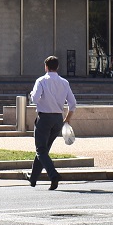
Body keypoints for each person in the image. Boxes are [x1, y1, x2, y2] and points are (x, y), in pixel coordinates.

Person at [29, 55, 76, 190]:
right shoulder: (64, 82)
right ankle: (33, 178)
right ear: (57, 67)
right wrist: (67, 119)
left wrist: (32, 94)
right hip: (58, 119)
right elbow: (73, 104)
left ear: (46, 67)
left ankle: (53, 174)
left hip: (44, 118)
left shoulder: (41, 80)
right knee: (44, 150)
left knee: (41, 150)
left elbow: (35, 99)